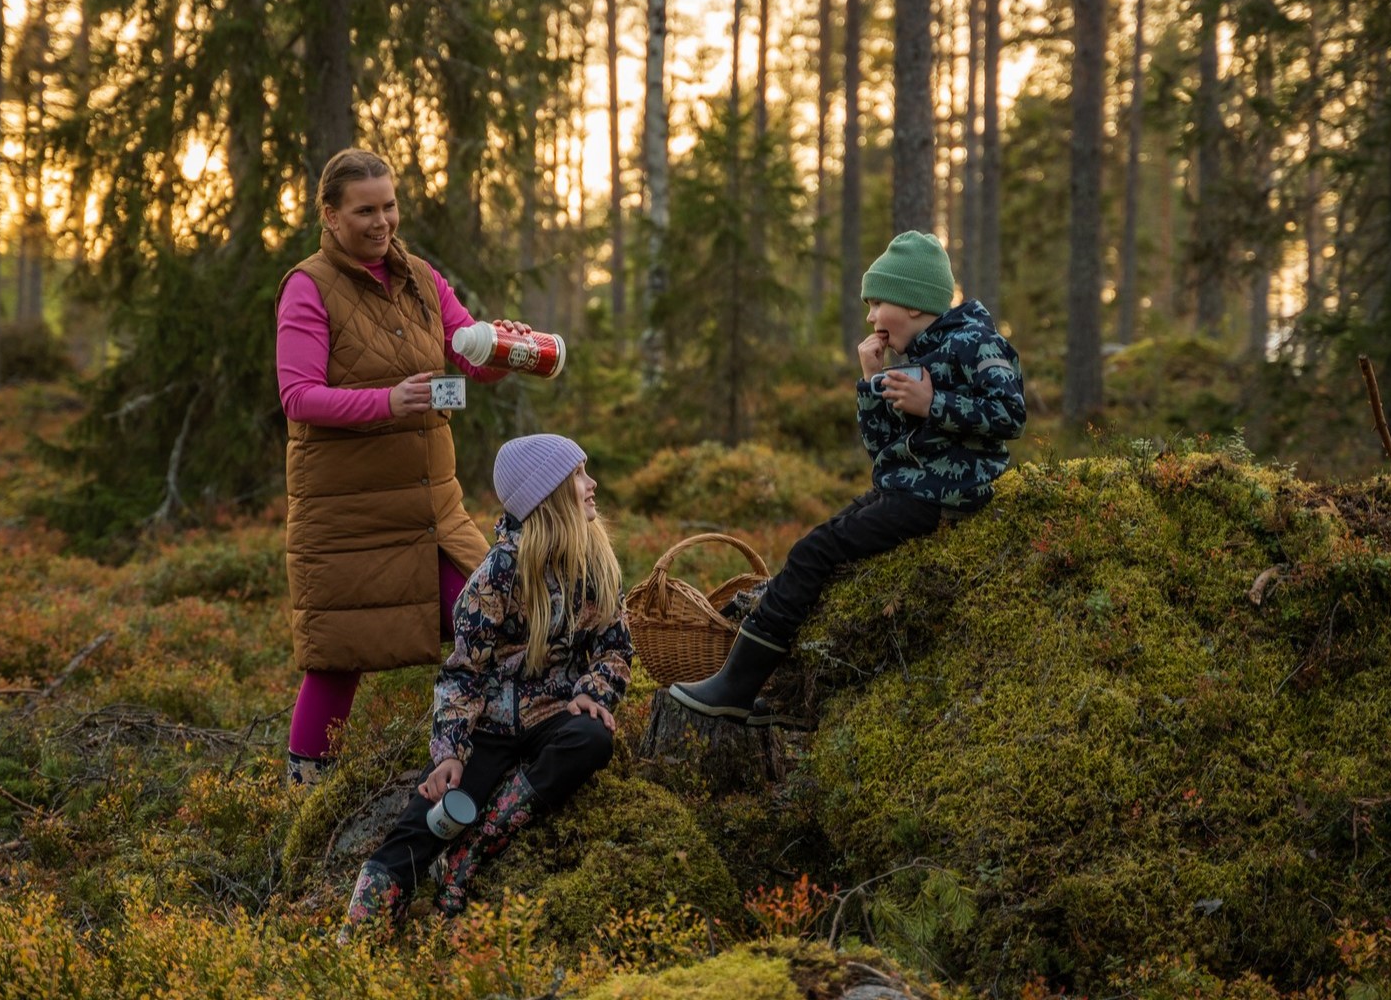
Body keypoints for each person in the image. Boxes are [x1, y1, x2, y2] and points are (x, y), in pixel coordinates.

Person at [669, 230, 1025, 722]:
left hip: (947, 497)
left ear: (914, 304)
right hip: (909, 489)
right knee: (814, 548)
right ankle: (776, 693)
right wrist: (869, 380)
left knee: (818, 550)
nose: (871, 316)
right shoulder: (919, 356)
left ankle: (737, 685)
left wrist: (933, 403)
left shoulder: (977, 343)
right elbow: (885, 455)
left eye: (878, 303)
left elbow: (1011, 414)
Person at [276, 148, 533, 788]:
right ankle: (303, 800)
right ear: (330, 216)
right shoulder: (308, 287)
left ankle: (497, 762)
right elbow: (298, 396)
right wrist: (388, 401)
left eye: (389, 205)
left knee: (497, 616)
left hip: (433, 509)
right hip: (350, 512)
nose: (382, 221)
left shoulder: (420, 276)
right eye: (365, 210)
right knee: (338, 657)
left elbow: (469, 355)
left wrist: (502, 350)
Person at [343, 434, 632, 933]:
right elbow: (463, 673)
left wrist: (594, 689)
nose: (592, 484)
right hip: (490, 727)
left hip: (554, 715)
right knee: (429, 817)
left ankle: (475, 848)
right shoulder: (497, 575)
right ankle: (361, 935)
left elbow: (616, 645)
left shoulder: (595, 563)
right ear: (549, 495)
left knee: (591, 738)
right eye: (580, 475)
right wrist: (450, 752)